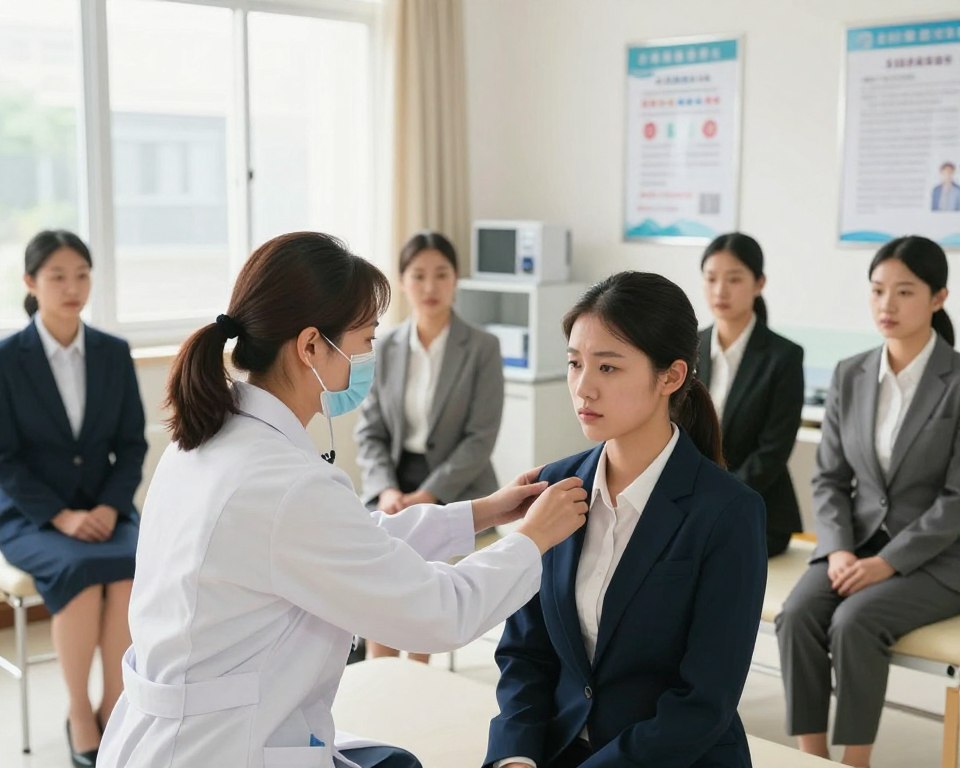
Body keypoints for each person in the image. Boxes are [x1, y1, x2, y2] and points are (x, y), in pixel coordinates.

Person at [97, 231, 588, 768]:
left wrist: (484, 511)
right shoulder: (282, 483)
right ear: (311, 346)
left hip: (182, 732)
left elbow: (352, 542)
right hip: (220, 748)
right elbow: (439, 613)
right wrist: (532, 539)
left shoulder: (209, 438)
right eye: (366, 339)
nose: (369, 356)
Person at [484, 271, 767, 768]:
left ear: (671, 377)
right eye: (575, 364)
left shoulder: (728, 513)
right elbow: (525, 654)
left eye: (608, 368)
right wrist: (515, 759)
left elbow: (703, 702)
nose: (583, 388)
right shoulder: (556, 487)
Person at [776, 235, 960, 767]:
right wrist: (836, 549)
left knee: (854, 621)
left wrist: (887, 563)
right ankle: (812, 755)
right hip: (852, 545)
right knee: (799, 615)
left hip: (937, 557)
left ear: (938, 297)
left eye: (904, 292)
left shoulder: (956, 380)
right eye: (878, 290)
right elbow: (829, 478)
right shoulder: (850, 373)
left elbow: (956, 499)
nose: (887, 305)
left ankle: (856, 758)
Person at [0, 230, 147, 766]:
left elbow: (132, 444)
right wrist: (60, 516)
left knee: (130, 566)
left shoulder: (112, 352)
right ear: (30, 284)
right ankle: (79, 714)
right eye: (57, 276)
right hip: (31, 516)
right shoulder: (7, 358)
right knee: (80, 579)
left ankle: (114, 704)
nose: (72, 287)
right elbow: (4, 459)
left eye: (81, 275)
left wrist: (109, 508)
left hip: (109, 509)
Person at [355, 231, 504, 663]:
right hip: (394, 484)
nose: (430, 286)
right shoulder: (383, 346)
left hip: (456, 485)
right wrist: (386, 490)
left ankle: (416, 679)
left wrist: (429, 497)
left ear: (456, 279)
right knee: (377, 582)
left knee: (422, 587)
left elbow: (480, 437)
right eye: (418, 275)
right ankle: (380, 674)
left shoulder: (481, 347)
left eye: (441, 275)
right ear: (402, 281)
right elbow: (370, 432)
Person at [698, 232, 804, 556]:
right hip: (692, 508)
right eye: (711, 279)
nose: (720, 291)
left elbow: (772, 452)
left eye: (734, 279)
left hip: (758, 511)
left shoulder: (783, 357)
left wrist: (717, 502)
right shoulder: (687, 349)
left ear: (759, 283)